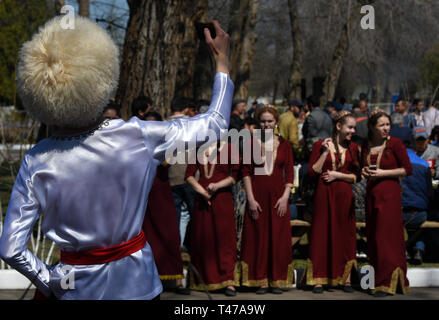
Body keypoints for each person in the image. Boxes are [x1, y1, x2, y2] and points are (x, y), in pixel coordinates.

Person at [0, 17, 234, 300]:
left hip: (74, 290)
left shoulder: (36, 160)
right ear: (100, 77)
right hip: (137, 286)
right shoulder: (136, 136)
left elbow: (11, 249)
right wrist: (222, 63)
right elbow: (215, 124)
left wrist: (50, 280)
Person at [240, 106, 294, 294]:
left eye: (270, 121)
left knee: (277, 239)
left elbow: (290, 174)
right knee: (258, 238)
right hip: (258, 198)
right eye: (263, 121)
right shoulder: (250, 144)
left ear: (276, 122)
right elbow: (245, 173)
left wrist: (285, 197)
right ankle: (259, 280)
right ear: (258, 123)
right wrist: (251, 199)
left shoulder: (285, 145)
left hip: (279, 199)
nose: (267, 124)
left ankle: (276, 280)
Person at [306, 111, 360, 293]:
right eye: (350, 127)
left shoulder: (353, 148)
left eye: (354, 127)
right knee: (322, 234)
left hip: (344, 197)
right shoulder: (320, 145)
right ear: (339, 127)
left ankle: (345, 279)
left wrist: (338, 175)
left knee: (345, 236)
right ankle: (319, 279)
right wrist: (324, 153)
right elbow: (313, 172)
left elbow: (356, 177)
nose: (353, 131)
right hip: (324, 195)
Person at [361, 110, 413, 297]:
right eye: (381, 125)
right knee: (374, 236)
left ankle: (388, 282)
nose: (386, 128)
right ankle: (376, 279)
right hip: (372, 194)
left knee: (387, 238)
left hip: (390, 195)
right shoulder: (365, 145)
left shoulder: (395, 144)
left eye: (387, 124)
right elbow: (361, 169)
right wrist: (365, 171)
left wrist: (382, 173)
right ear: (372, 127)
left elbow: (407, 169)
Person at [141, 111, 189, 295]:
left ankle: (175, 279)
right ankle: (146, 280)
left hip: (161, 192)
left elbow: (167, 162)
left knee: (169, 234)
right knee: (145, 237)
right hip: (142, 193)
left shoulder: (165, 142)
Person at [185, 141, 240, 296]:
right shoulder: (198, 149)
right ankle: (202, 279)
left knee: (225, 239)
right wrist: (202, 192)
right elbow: (188, 175)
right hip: (202, 200)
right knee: (203, 238)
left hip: (222, 198)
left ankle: (229, 281)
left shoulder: (230, 147)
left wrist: (218, 185)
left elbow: (235, 175)